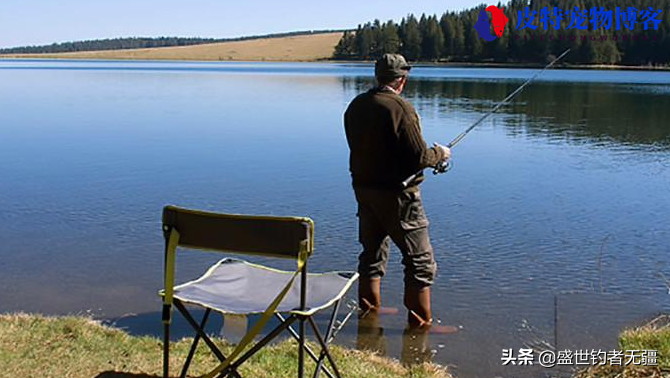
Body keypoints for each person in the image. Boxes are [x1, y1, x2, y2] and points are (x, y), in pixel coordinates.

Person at [344, 53, 455, 333]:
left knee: (371, 253)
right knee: (420, 261)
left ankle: (369, 312)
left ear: (378, 76)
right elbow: (419, 157)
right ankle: (420, 327)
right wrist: (440, 154)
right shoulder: (401, 109)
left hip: (364, 191)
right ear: (402, 80)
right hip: (398, 196)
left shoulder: (356, 105)